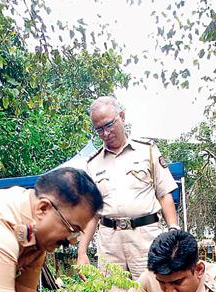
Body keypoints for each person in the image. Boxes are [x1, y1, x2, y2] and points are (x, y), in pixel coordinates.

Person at [77, 96, 180, 280]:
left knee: (153, 291)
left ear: (122, 117)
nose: (105, 133)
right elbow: (92, 214)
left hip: (146, 238)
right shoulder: (92, 164)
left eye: (109, 125)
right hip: (109, 243)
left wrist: (173, 231)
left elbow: (164, 194)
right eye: (99, 129)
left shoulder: (147, 151)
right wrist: (82, 251)